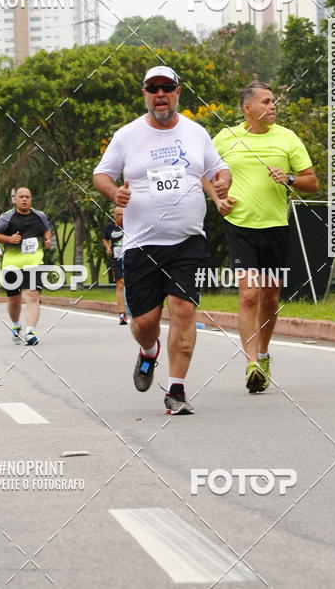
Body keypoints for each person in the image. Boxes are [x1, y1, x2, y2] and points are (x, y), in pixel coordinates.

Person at [93, 65, 231, 415]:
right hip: (142, 243)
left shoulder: (196, 132)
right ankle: (148, 351)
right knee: (144, 324)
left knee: (183, 310)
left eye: (166, 87)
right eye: (152, 88)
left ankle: (176, 389)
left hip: (188, 241)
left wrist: (223, 183)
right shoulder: (127, 135)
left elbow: (218, 168)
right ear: (144, 94)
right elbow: (102, 174)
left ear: (177, 92)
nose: (160, 94)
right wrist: (115, 194)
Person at [211, 82, 319, 394]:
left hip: (275, 227)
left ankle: (263, 353)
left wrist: (289, 178)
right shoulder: (226, 138)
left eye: (273, 102)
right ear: (248, 108)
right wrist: (217, 199)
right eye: (266, 102)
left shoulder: (287, 138)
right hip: (240, 225)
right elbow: (204, 172)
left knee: (270, 298)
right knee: (248, 295)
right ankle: (250, 363)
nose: (273, 107)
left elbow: (312, 182)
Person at [0, 188, 52, 345]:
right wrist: (9, 239)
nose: (24, 199)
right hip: (12, 265)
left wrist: (47, 239)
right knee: (14, 300)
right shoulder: (7, 217)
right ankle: (16, 325)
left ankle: (30, 332)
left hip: (34, 263)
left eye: (27, 197)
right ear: (15, 200)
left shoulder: (40, 216)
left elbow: (47, 230)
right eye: (21, 197)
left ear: (31, 199)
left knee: (32, 295)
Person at [102, 209, 127, 325]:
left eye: (122, 214)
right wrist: (107, 247)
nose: (120, 217)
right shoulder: (110, 226)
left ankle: (136, 309)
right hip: (116, 259)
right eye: (118, 215)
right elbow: (105, 238)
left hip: (130, 258)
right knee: (120, 283)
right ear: (114, 215)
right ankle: (122, 314)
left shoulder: (130, 224)